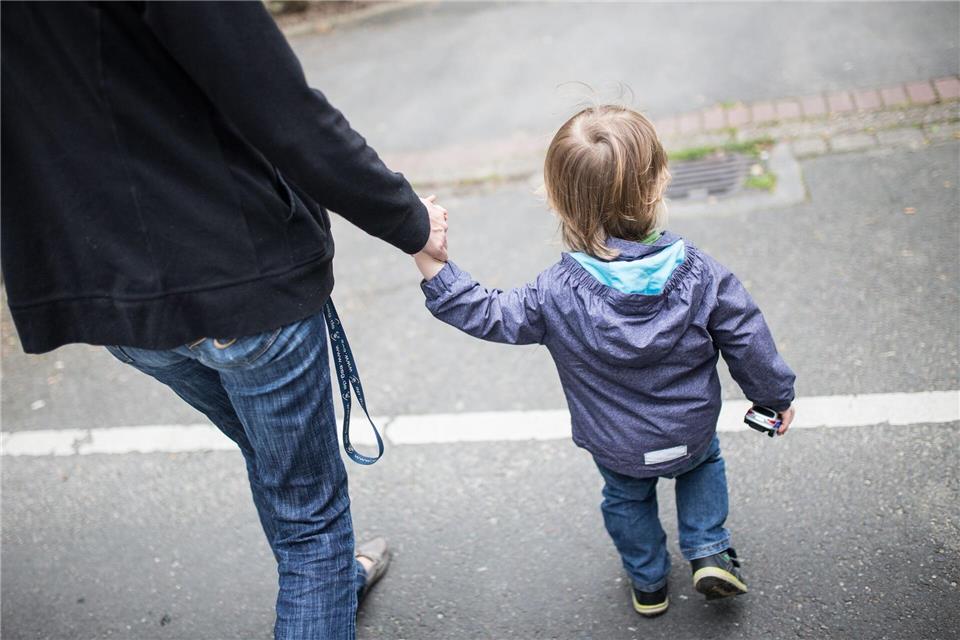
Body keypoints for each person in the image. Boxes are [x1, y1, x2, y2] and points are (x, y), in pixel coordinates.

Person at [1, 2, 447, 638]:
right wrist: (408, 219)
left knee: (279, 466)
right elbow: (283, 108)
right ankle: (323, 583)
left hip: (114, 300)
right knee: (310, 526)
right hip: (237, 277)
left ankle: (331, 582)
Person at [413, 105, 796, 617]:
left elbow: (488, 312)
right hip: (691, 429)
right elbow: (749, 338)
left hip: (616, 444)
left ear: (558, 202)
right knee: (704, 466)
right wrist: (774, 398)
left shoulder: (554, 292)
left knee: (626, 499)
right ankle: (708, 548)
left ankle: (649, 583)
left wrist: (428, 257)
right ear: (658, 185)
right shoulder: (703, 274)